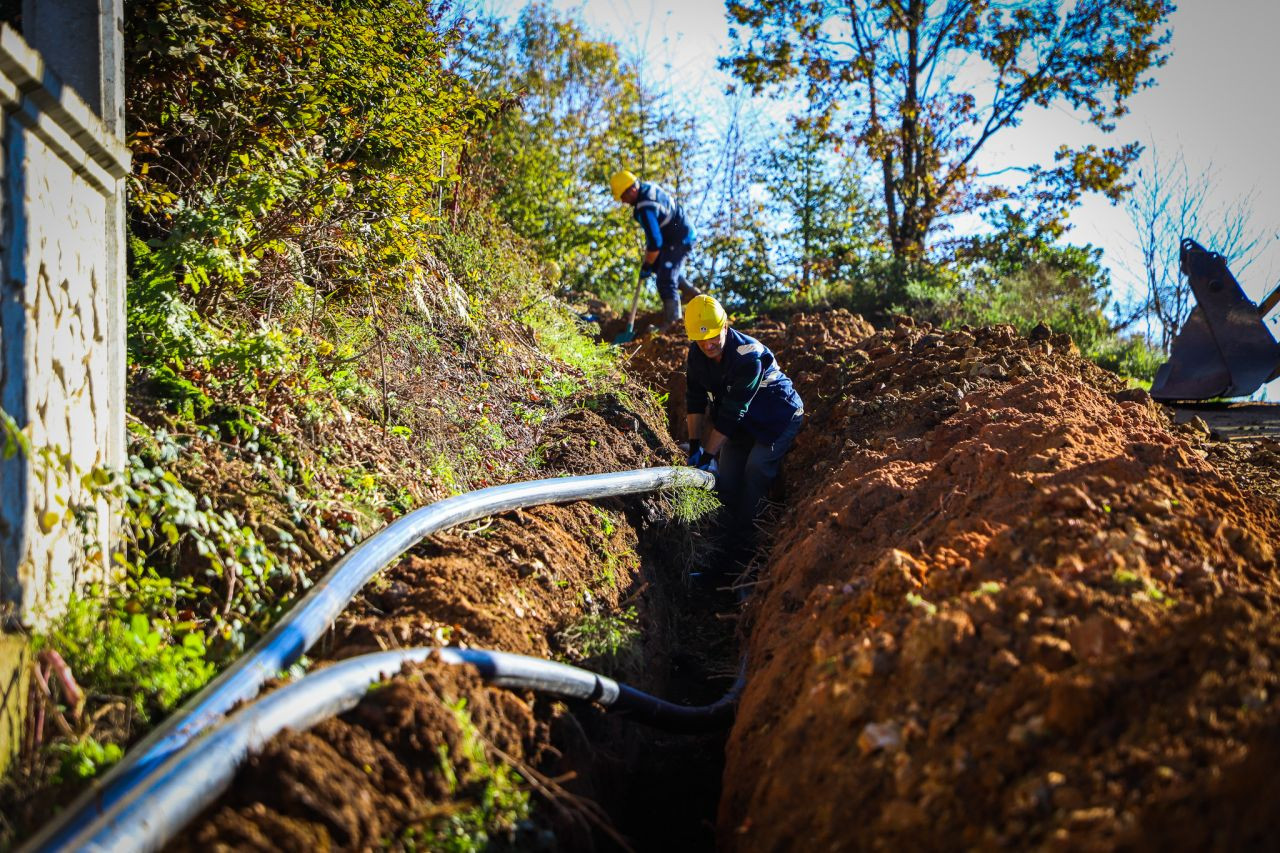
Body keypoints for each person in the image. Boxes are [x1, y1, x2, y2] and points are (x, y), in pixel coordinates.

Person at [683, 294, 804, 581]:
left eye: (713, 337)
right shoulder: (697, 354)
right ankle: (718, 554)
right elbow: (695, 399)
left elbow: (732, 413)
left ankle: (745, 554)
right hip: (740, 425)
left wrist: (709, 456)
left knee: (755, 470)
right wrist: (696, 447)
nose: (708, 345)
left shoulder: (747, 356)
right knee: (726, 482)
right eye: (701, 340)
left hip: (776, 417)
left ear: (725, 326)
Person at [609, 169, 699, 329]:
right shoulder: (648, 188)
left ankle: (673, 323)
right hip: (675, 236)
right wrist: (653, 263)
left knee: (665, 280)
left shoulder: (645, 207)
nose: (623, 201)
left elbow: (655, 242)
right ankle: (689, 292)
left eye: (623, 196)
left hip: (680, 238)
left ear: (632, 189)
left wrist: (647, 264)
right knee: (661, 267)